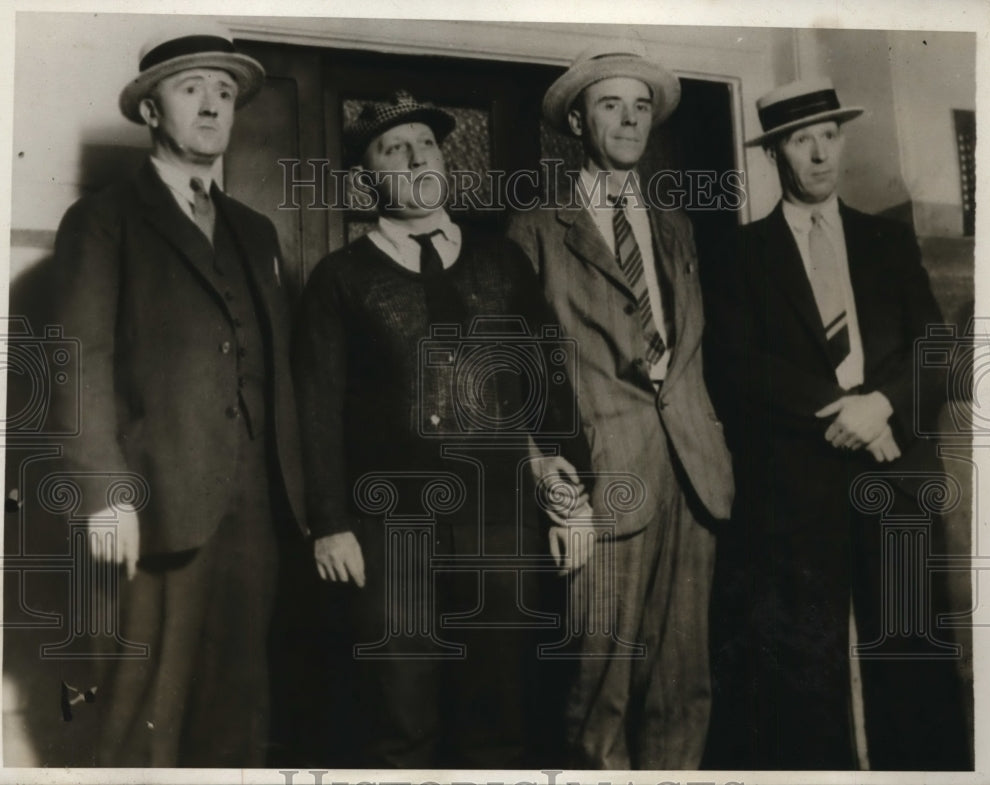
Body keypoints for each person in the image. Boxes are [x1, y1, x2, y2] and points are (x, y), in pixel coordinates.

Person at [291, 89, 592, 768]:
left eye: (426, 144)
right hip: (390, 530)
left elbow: (549, 384)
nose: (416, 158)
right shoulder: (340, 279)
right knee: (400, 720)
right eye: (394, 148)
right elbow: (316, 408)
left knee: (499, 718)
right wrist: (330, 522)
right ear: (367, 177)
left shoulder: (502, 261)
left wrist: (574, 501)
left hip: (499, 522)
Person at [50, 22, 305, 766]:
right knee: (141, 721)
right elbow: (78, 361)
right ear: (150, 110)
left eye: (224, 90)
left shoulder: (255, 230)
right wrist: (105, 493)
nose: (212, 104)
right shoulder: (102, 220)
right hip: (152, 506)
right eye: (190, 88)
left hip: (255, 512)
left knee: (238, 719)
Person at [705, 77, 970, 769]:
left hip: (896, 475)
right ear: (774, 153)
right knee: (802, 666)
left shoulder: (888, 239)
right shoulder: (740, 254)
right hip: (801, 487)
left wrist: (881, 405)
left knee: (913, 657)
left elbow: (935, 349)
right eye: (802, 140)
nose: (821, 154)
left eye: (830, 135)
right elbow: (737, 367)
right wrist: (845, 408)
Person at [507, 40, 734, 770]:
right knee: (597, 690)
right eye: (612, 105)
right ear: (578, 123)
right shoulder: (538, 227)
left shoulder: (676, 225)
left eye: (641, 107)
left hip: (692, 475)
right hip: (602, 479)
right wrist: (549, 476)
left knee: (683, 688)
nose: (631, 120)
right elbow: (519, 372)